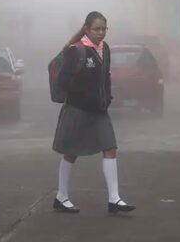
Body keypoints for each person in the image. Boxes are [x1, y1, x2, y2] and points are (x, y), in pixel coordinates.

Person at [51, 11, 135, 214]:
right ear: (87, 29)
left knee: (110, 148)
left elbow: (105, 77)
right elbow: (64, 81)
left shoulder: (105, 49)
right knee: (71, 152)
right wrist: (86, 97)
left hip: (99, 110)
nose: (101, 33)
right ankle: (61, 197)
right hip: (78, 109)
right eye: (96, 29)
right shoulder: (76, 51)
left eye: (104, 29)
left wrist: (108, 98)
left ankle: (114, 199)